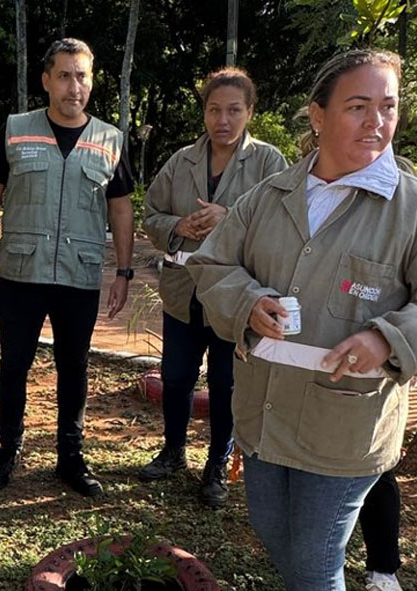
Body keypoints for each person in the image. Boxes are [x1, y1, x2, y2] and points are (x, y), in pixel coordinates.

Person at [186, 48, 417, 591]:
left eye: (388, 106)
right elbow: (212, 264)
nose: (378, 121)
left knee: (317, 550)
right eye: (359, 106)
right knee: (270, 524)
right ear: (318, 115)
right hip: (265, 409)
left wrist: (390, 338)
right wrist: (245, 302)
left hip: (345, 425)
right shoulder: (269, 197)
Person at [0, 38, 135, 497]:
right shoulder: (16, 129)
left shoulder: (109, 140)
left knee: (74, 367)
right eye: (64, 75)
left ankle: (71, 455)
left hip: (78, 277)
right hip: (22, 273)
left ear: (92, 80)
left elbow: (121, 209)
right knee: (14, 364)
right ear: (46, 81)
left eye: (82, 75)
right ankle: (8, 450)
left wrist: (123, 271)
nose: (74, 86)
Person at [139, 67, 286, 508]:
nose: (223, 119)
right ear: (203, 112)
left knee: (226, 384)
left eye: (234, 110)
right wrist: (178, 225)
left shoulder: (268, 163)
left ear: (250, 113)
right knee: (177, 376)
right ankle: (172, 452)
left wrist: (231, 218)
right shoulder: (181, 160)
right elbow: (150, 214)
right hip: (183, 291)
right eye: (214, 109)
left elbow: (282, 223)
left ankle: (216, 465)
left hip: (235, 296)